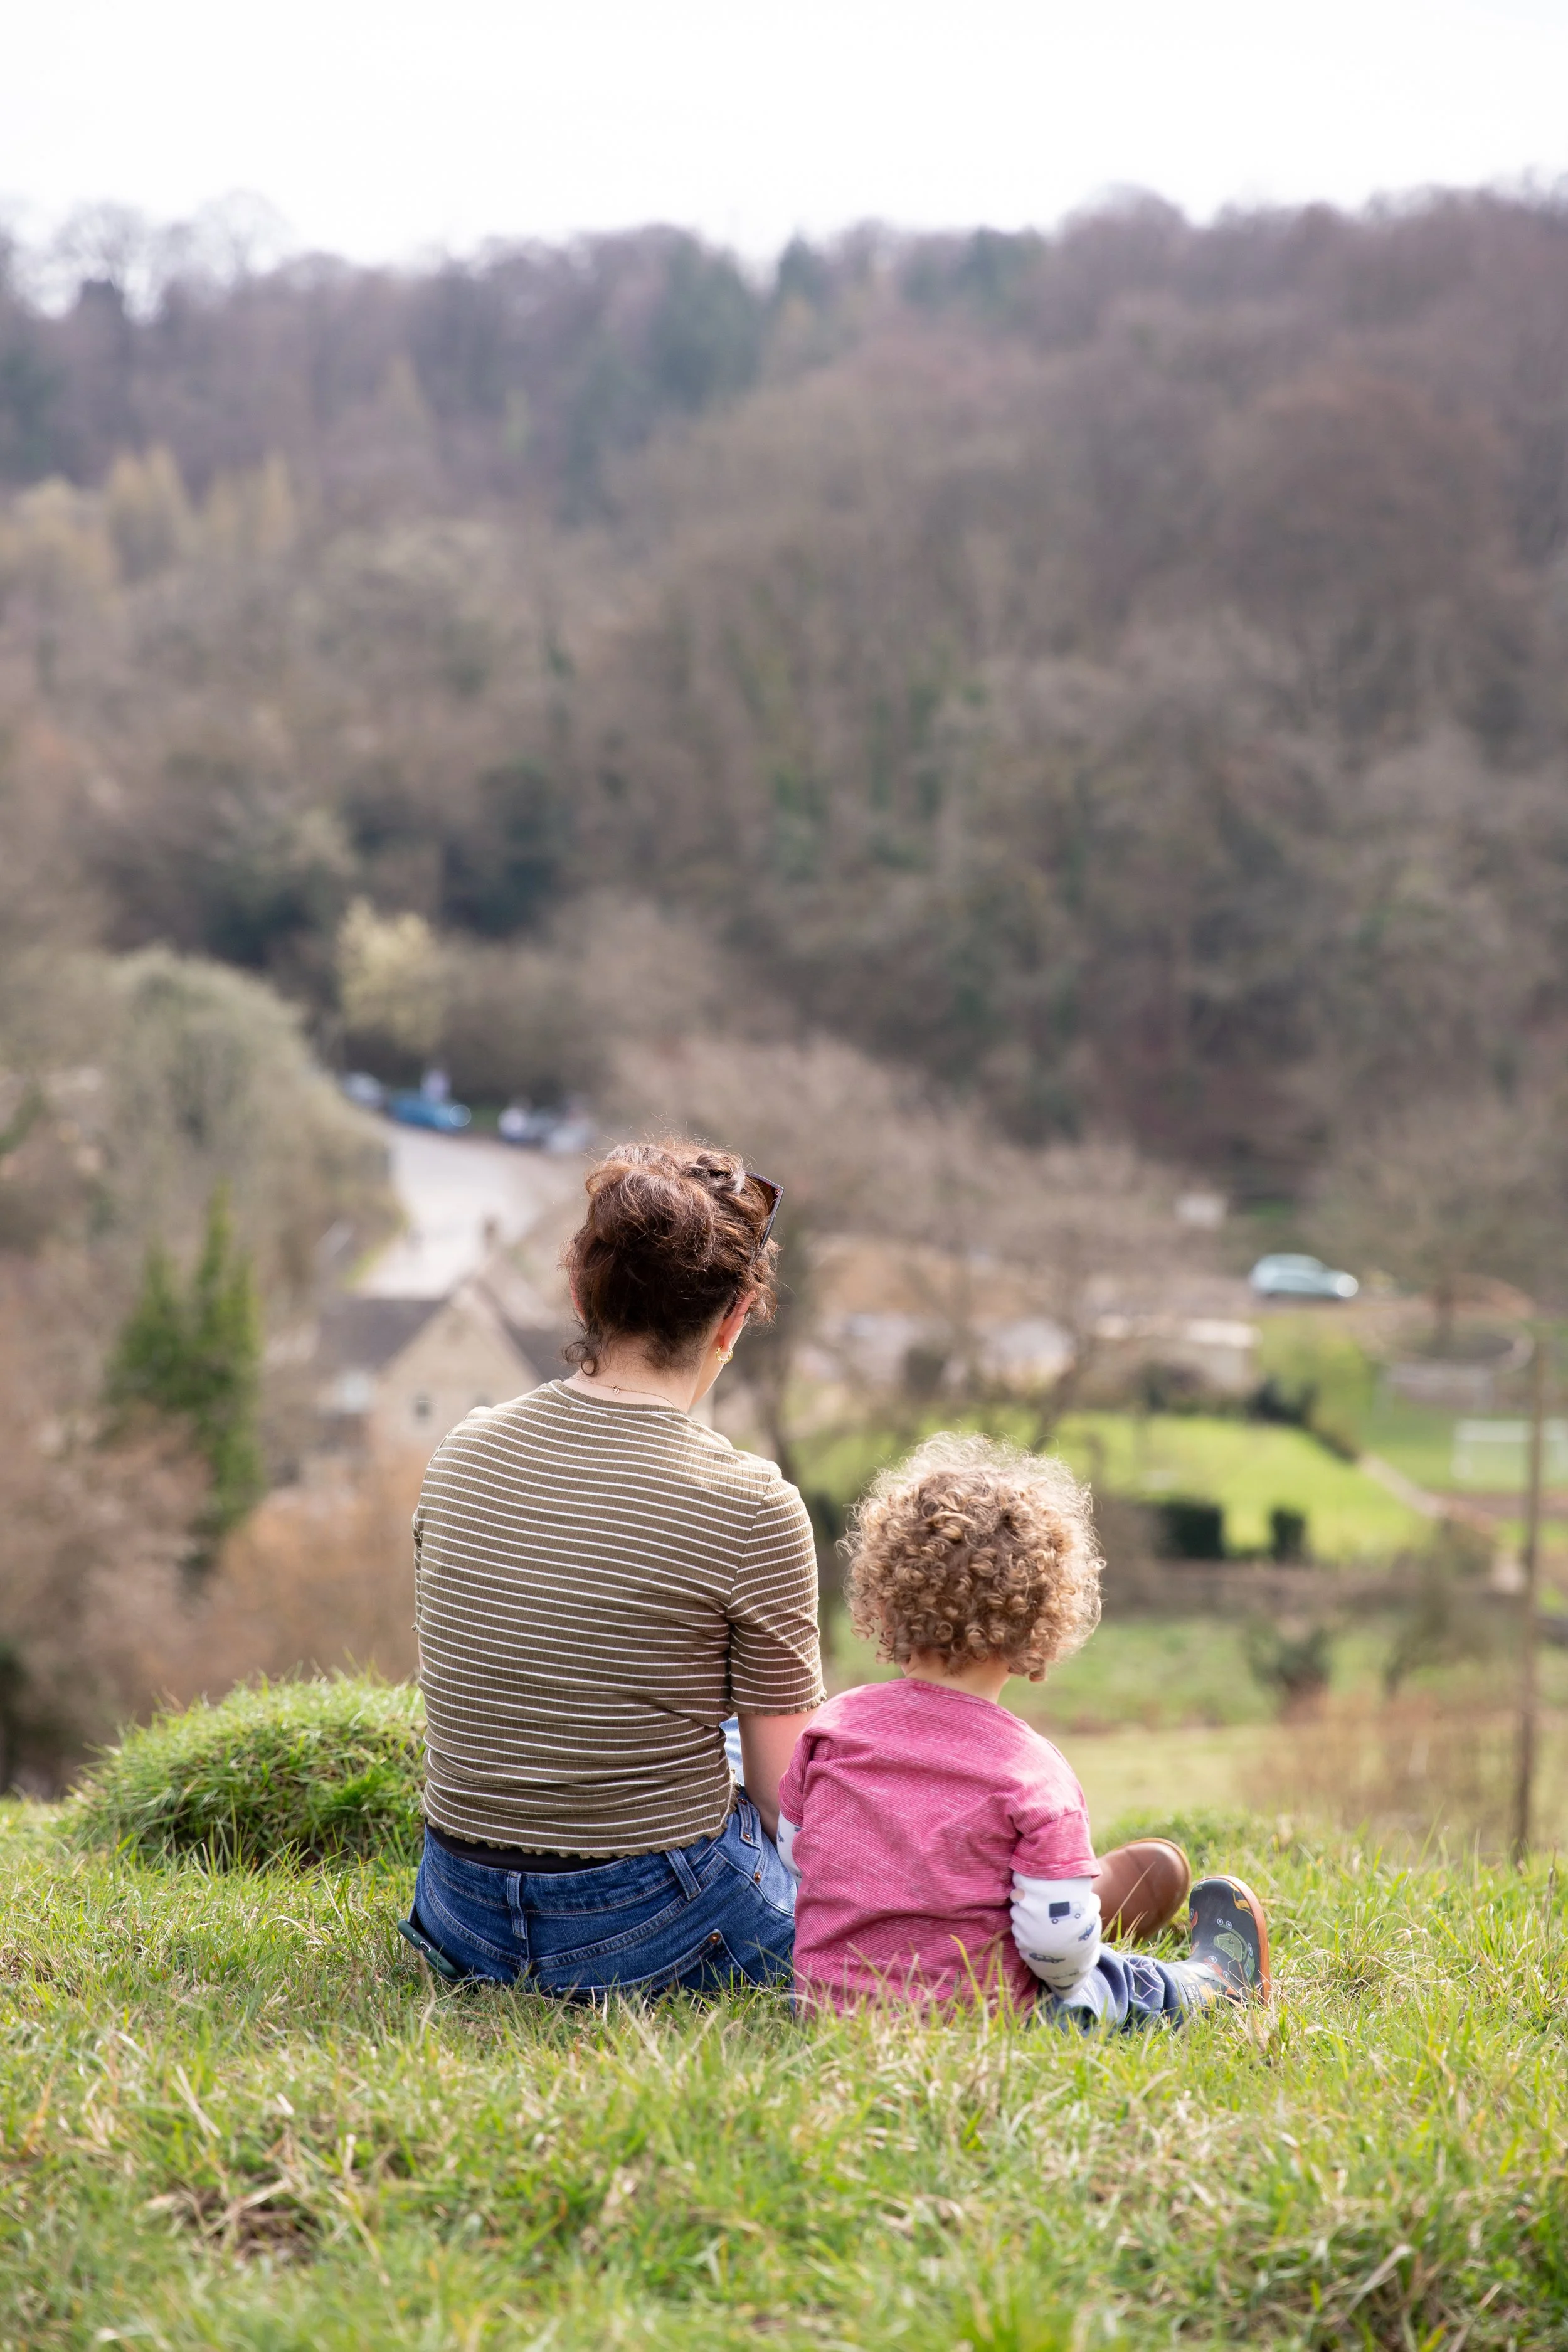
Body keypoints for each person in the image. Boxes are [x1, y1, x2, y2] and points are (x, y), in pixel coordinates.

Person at [399, 1140, 821, 1996]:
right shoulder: (751, 1503)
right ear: (734, 1318)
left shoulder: (462, 1452)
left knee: (722, 1717)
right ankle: (1119, 1956)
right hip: (644, 1919)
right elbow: (789, 1807)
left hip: (459, 1906)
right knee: (887, 1930)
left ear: (581, 1289)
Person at [777, 1434, 1270, 2021]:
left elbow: (797, 1853)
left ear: (884, 1603)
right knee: (1115, 1982)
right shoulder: (1030, 1774)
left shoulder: (833, 1730)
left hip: (829, 2007)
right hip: (975, 2019)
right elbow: (1057, 1951)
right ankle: (1215, 1986)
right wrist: (1074, 1960)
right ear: (1039, 1627)